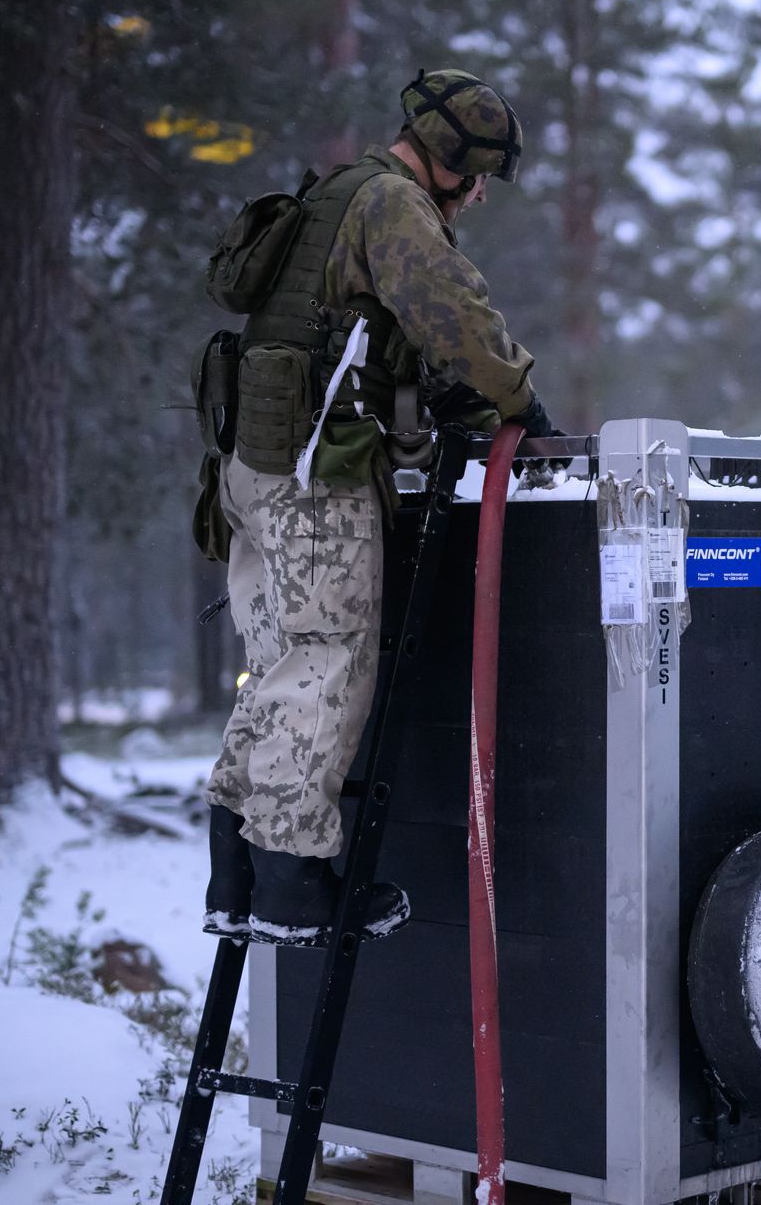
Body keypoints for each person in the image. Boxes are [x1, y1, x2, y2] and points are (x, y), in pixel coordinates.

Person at [200, 68, 559, 947]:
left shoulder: (335, 195)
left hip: (253, 470)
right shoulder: (393, 206)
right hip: (316, 484)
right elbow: (455, 318)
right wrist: (520, 405)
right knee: (325, 662)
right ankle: (292, 885)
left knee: (276, 664)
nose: (477, 195)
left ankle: (237, 875)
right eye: (476, 177)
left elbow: (375, 338)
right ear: (448, 161)